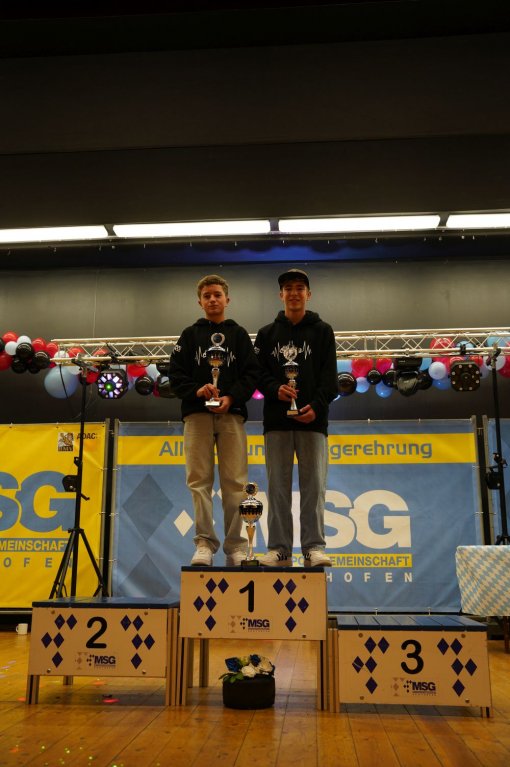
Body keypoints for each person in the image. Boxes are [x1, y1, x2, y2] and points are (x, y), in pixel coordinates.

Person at [169, 274, 259, 566]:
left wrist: (231, 397)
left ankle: (236, 546)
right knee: (199, 482)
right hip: (197, 415)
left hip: (231, 415)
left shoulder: (239, 335)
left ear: (227, 300)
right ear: (200, 302)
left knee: (236, 483)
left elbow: (251, 375)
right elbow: (175, 375)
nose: (212, 300)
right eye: (207, 296)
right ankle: (204, 543)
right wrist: (197, 391)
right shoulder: (189, 335)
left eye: (217, 295)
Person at [254, 268, 337, 567]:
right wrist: (275, 389)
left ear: (308, 294)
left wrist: (316, 406)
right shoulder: (266, 334)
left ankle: (313, 548)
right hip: (277, 421)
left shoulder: (323, 331)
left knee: (314, 487)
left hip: (313, 421)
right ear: (281, 295)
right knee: (277, 487)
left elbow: (330, 378)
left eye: (299, 288)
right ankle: (280, 549)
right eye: (288, 288)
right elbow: (257, 373)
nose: (294, 293)